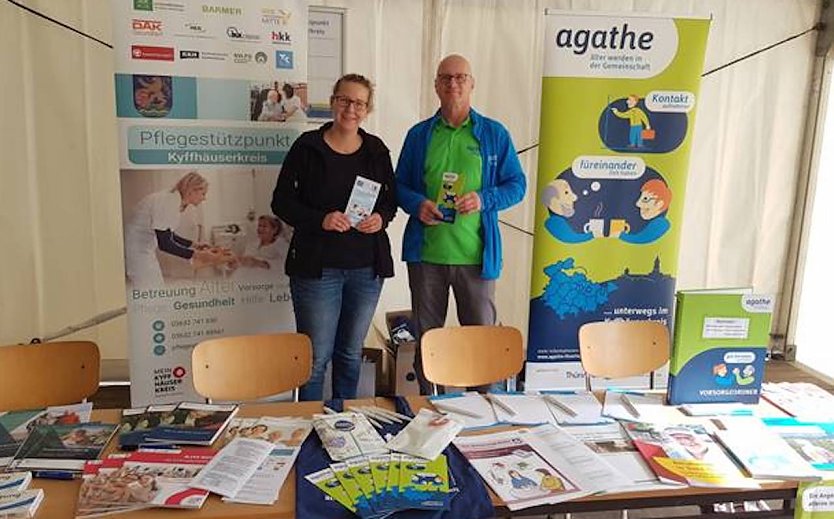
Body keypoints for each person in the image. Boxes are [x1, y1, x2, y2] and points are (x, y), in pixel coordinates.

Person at [396, 54, 526, 394]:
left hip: (476, 257)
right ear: (436, 85)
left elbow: (517, 185)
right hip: (427, 257)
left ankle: (488, 414)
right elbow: (399, 185)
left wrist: (484, 199)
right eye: (446, 78)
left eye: (460, 77)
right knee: (429, 342)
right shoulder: (420, 134)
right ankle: (431, 410)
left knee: (482, 341)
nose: (453, 83)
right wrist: (417, 204)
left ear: (472, 83)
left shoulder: (494, 134)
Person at [272, 73, 396, 401]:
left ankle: (344, 425)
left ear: (367, 109)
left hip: (366, 270)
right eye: (344, 100)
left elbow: (390, 200)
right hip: (317, 270)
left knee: (350, 354)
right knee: (315, 359)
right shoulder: (307, 147)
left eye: (358, 103)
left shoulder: (376, 150)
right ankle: (311, 425)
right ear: (332, 102)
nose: (350, 108)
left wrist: (380, 219)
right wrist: (320, 219)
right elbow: (281, 202)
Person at [124, 171, 227, 286]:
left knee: (156, 288)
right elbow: (165, 244)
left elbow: (168, 234)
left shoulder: (173, 200)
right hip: (138, 250)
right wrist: (198, 254)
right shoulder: (167, 202)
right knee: (151, 290)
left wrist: (194, 245)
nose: (204, 198)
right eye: (203, 193)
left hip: (145, 248)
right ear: (192, 190)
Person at [619, 178, 672, 244]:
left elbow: (639, 238)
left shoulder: (661, 224)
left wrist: (619, 234)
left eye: (645, 199)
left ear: (660, 204)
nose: (638, 204)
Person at [542, 178, 593, 243]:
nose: (574, 198)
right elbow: (572, 238)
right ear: (554, 201)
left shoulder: (569, 219)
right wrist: (594, 234)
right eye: (566, 193)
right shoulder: (554, 223)